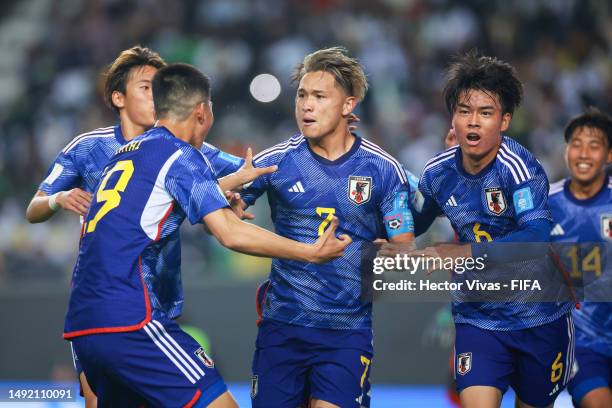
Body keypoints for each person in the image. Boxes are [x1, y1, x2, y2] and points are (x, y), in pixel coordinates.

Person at [63, 63, 351, 407]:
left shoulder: (126, 154)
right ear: (202, 112)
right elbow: (230, 235)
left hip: (82, 325)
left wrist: (219, 195)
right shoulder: (180, 155)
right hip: (129, 319)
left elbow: (149, 212)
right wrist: (310, 252)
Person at [25, 46, 272, 407]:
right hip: (108, 299)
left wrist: (231, 189)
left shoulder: (186, 147)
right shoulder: (89, 148)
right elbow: (33, 209)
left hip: (159, 301)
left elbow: (246, 177)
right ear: (117, 97)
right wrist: (57, 200)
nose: (156, 93)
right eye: (145, 86)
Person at [241, 47, 414, 408]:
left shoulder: (382, 169)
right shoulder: (276, 161)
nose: (306, 105)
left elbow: (403, 246)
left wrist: (388, 258)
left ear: (348, 105)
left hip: (346, 332)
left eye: (319, 97)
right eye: (302, 95)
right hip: (282, 327)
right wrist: (232, 203)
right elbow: (225, 214)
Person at [412, 52, 574, 408]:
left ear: (504, 120)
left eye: (485, 113)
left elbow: (535, 237)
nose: (473, 122)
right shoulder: (438, 173)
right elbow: (413, 221)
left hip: (539, 318)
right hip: (478, 319)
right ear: (452, 117)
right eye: (464, 111)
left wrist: (462, 253)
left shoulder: (519, 169)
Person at [548, 108, 612, 408]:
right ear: (566, 151)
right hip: (581, 344)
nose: (583, 153)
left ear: (609, 156)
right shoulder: (545, 205)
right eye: (576, 143)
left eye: (594, 145)